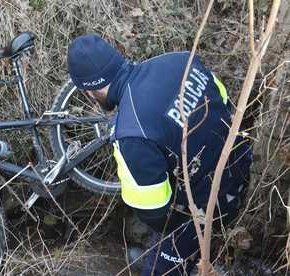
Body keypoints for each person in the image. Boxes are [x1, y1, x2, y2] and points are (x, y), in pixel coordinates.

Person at [67, 34, 252, 275]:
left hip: (208, 206)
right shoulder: (179, 60)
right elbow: (225, 102)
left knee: (159, 269)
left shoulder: (131, 133)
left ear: (89, 92)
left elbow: (154, 211)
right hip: (241, 161)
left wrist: (171, 239)